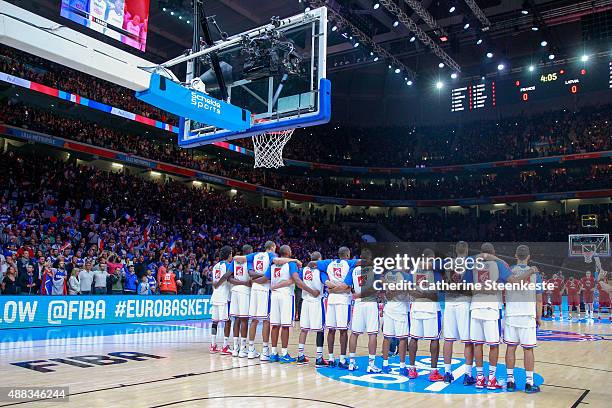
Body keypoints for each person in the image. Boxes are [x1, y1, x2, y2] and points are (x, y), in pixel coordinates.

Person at [470, 243, 511, 390]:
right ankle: (491, 379)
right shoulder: (499, 264)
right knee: (493, 345)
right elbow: (509, 280)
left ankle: (480, 378)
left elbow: (466, 282)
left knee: (478, 344)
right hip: (491, 307)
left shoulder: (473, 264)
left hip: (475, 307)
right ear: (493, 252)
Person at [313, 247, 360, 368]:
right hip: (343, 300)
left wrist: (329, 285)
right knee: (343, 331)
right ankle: (343, 360)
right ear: (348, 255)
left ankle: (331, 358)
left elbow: (312, 264)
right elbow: (363, 262)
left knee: (331, 330)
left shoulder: (329, 263)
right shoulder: (349, 263)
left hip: (331, 299)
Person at [504, 245, 542, 394]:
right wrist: (538, 317)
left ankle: (510, 381)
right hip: (527, 315)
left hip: (512, 314)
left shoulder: (508, 271)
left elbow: (503, 292)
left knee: (510, 348)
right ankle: (529, 383)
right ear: (529, 256)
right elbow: (539, 299)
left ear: (515, 255)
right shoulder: (535, 274)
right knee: (528, 350)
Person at [233, 241, 276, 360]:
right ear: (272, 247)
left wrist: (254, 280)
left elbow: (240, 261)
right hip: (264, 289)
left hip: (254, 290)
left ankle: (251, 349)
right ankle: (265, 351)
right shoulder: (272, 256)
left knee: (254, 320)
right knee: (266, 321)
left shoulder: (255, 255)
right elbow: (268, 276)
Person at [407, 248, 444, 382]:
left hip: (416, 307)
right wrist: (427, 294)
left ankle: (411, 370)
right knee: (434, 339)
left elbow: (411, 290)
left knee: (414, 338)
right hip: (431, 308)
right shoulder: (434, 271)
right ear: (431, 258)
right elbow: (435, 294)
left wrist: (420, 294)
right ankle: (433, 372)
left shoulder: (414, 270)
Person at [442, 241, 475, 385]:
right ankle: (468, 375)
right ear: (467, 250)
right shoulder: (471, 263)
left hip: (449, 303)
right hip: (464, 302)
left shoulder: (449, 263)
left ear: (456, 250)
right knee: (467, 340)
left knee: (448, 339)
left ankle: (447, 373)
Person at [346, 248, 381, 373]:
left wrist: (356, 294)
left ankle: (351, 363)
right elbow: (376, 288)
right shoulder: (374, 269)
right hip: (370, 303)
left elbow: (348, 287)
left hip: (358, 304)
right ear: (370, 258)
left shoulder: (354, 270)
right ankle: (371, 365)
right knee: (372, 334)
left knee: (354, 333)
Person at [267, 245, 299, 363]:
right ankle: (284, 353)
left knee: (275, 325)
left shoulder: (273, 264)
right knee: (285, 325)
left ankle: (274, 353)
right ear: (288, 252)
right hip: (286, 295)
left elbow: (267, 278)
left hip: (274, 295)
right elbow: (294, 280)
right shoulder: (291, 264)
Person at [294, 251, 326, 365]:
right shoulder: (321, 271)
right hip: (316, 302)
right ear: (320, 259)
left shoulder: (304, 270)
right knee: (320, 329)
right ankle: (319, 357)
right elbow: (326, 282)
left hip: (305, 301)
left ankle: (300, 355)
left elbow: (298, 282)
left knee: (304, 329)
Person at [381, 268, 409, 375]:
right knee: (402, 339)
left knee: (386, 338)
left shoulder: (388, 274)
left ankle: (385, 364)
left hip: (388, 308)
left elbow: (383, 288)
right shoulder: (406, 275)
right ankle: (402, 367)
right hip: (400, 309)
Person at [228, 244, 253, 358]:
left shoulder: (235, 261)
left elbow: (229, 277)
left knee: (236, 319)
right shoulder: (249, 260)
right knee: (244, 319)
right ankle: (243, 349)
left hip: (235, 290)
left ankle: (235, 348)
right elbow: (251, 275)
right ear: (250, 252)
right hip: (244, 291)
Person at [209, 245, 234, 355]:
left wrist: (216, 285)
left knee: (215, 321)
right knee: (227, 321)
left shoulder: (216, 266)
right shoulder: (228, 265)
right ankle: (225, 346)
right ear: (229, 255)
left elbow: (214, 282)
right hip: (224, 296)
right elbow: (227, 278)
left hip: (215, 295)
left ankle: (213, 345)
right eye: (231, 254)